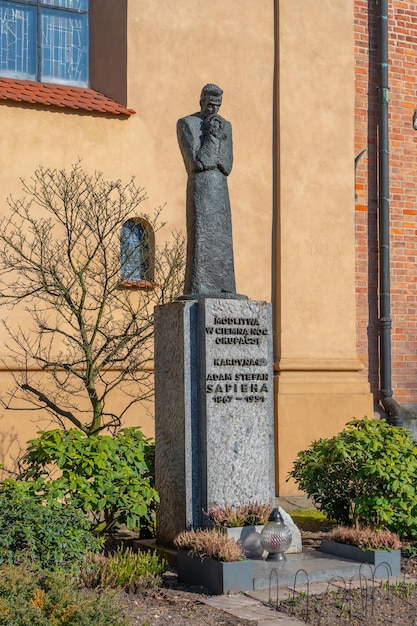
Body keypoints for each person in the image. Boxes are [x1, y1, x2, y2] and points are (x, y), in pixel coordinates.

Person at [177, 84, 237, 297]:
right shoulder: (187, 124)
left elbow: (226, 165)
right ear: (201, 101)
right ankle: (201, 286)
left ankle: (225, 287)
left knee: (222, 241)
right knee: (201, 238)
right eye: (210, 105)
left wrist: (218, 140)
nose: (214, 110)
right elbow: (197, 163)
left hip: (220, 189)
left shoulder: (225, 126)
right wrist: (212, 137)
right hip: (201, 188)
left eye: (217, 106)